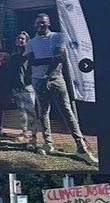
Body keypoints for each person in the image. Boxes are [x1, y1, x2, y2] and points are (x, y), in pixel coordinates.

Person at [25, 13, 97, 164]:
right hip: (38, 81)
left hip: (56, 79)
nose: (41, 25)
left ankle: (81, 147)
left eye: (43, 22)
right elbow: (32, 62)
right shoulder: (30, 42)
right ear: (34, 25)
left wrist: (47, 71)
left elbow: (60, 57)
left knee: (67, 111)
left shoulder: (58, 37)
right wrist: (48, 61)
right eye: (38, 23)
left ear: (49, 23)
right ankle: (48, 143)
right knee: (43, 113)